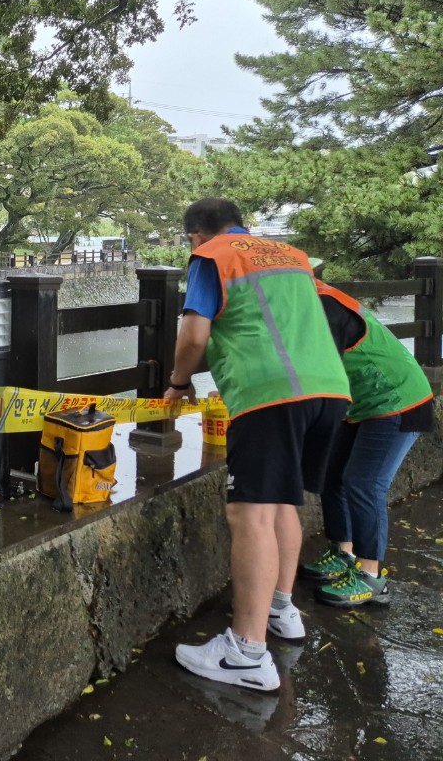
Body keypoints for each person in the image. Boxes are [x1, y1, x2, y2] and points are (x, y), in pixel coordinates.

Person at [163, 198, 350, 692]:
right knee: (283, 502)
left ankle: (246, 653)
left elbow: (194, 334)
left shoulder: (213, 255)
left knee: (249, 515)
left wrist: (179, 383)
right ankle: (280, 609)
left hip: (270, 394)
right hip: (329, 389)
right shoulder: (291, 255)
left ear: (193, 237)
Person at [301, 280, 434, 607]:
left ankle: (371, 578)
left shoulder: (323, 307)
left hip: (397, 401)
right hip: (362, 403)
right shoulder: (300, 305)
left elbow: (315, 376)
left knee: (363, 483)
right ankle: (343, 552)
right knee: (333, 475)